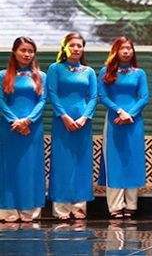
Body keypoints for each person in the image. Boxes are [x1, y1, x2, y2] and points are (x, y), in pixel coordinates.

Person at [46, 32, 98, 220]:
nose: (76, 48)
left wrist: (85, 117)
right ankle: (61, 208)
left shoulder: (89, 71)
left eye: (79, 45)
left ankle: (79, 207)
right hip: (62, 122)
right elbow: (52, 93)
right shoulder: (55, 68)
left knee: (81, 162)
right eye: (72, 45)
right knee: (62, 162)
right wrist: (64, 116)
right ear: (65, 47)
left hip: (83, 123)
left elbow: (93, 97)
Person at [97, 36, 149, 218]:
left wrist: (130, 114)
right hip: (114, 121)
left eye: (129, 48)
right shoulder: (105, 72)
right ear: (115, 51)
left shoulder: (139, 73)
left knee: (132, 160)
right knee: (115, 161)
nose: (126, 51)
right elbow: (102, 96)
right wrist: (120, 111)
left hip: (134, 122)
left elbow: (144, 97)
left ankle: (131, 205)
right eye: (122, 48)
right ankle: (115, 206)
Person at [0, 37, 46, 222]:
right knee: (8, 168)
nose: (27, 54)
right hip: (9, 128)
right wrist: (15, 121)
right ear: (14, 52)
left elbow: (42, 101)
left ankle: (30, 211)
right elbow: (1, 101)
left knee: (31, 167)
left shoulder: (41, 76)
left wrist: (28, 121)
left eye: (30, 51)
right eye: (23, 50)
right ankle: (8, 211)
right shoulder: (3, 75)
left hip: (33, 128)